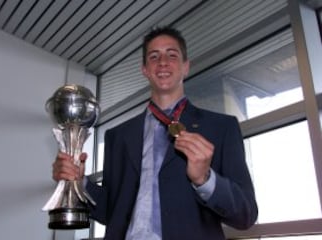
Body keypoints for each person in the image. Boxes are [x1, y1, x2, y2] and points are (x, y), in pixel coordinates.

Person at [52, 26, 258, 240]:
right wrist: (79, 182)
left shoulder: (222, 127)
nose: (162, 62)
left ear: (186, 67)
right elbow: (111, 212)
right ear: (145, 69)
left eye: (172, 55)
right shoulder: (117, 136)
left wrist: (204, 179)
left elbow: (246, 215)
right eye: (154, 56)